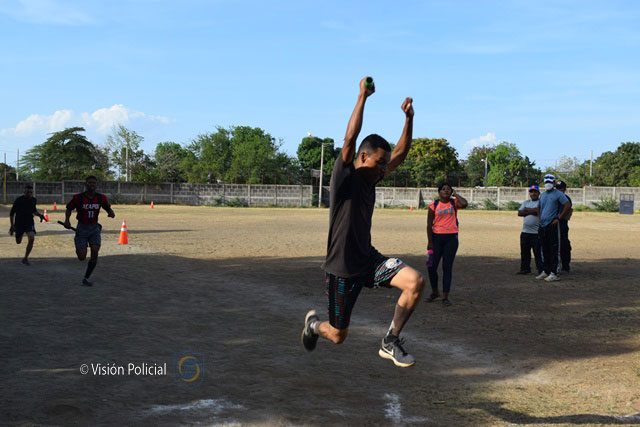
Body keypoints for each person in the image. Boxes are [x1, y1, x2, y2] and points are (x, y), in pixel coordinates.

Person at [300, 77, 425, 368]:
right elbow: (349, 141)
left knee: (415, 281)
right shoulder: (345, 176)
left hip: (368, 259)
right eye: (379, 163)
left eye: (385, 164)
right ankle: (314, 326)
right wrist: (362, 97)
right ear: (363, 157)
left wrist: (409, 119)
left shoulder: (372, 178)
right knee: (337, 335)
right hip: (342, 269)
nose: (384, 169)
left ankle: (390, 340)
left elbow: (401, 154)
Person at [63, 175, 115, 286]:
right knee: (82, 257)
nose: (92, 184)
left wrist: (110, 212)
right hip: (82, 228)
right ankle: (80, 245)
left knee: (95, 251)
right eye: (90, 182)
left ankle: (86, 278)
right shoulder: (78, 198)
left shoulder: (101, 198)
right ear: (85, 184)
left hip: (94, 228)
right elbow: (69, 208)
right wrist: (67, 220)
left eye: (94, 183)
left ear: (96, 185)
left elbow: (107, 207)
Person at [425, 183, 468, 306]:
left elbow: (465, 204)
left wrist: (456, 194)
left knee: (447, 267)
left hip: (451, 239)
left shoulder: (454, 203)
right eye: (443, 189)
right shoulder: (434, 205)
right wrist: (430, 242)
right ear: (439, 192)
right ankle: (435, 292)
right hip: (436, 239)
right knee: (431, 266)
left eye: (448, 189)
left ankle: (445, 297)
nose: (446, 191)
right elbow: (429, 225)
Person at [536, 174, 571, 282]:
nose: (548, 183)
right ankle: (546, 271)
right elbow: (539, 207)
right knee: (544, 249)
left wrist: (559, 218)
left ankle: (554, 273)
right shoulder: (543, 195)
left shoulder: (558, 194)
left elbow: (567, 205)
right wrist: (540, 219)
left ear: (554, 183)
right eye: (546, 181)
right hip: (543, 225)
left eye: (550, 182)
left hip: (553, 225)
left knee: (554, 249)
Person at [9, 185, 46, 265]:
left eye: (31, 192)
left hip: (29, 222)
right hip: (19, 223)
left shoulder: (33, 200)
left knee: (31, 238)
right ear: (24, 192)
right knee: (18, 241)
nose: (29, 194)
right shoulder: (19, 200)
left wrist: (40, 215)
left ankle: (25, 258)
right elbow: (12, 213)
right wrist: (12, 226)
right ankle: (19, 234)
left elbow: (34, 211)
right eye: (28, 192)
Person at [516, 185, 543, 275]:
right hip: (525, 232)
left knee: (538, 253)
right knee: (524, 252)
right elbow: (519, 213)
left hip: (536, 233)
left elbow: (538, 211)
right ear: (529, 193)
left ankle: (541, 270)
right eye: (531, 192)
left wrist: (527, 210)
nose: (533, 193)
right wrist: (533, 211)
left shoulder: (541, 202)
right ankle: (525, 269)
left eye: (535, 192)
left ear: (538, 193)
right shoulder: (526, 202)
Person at [555, 180, 573, 273]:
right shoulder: (553, 197)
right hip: (552, 225)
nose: (559, 191)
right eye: (557, 189)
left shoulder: (566, 199)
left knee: (564, 245)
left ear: (564, 189)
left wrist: (558, 218)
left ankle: (565, 266)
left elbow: (566, 213)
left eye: (561, 189)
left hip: (562, 225)